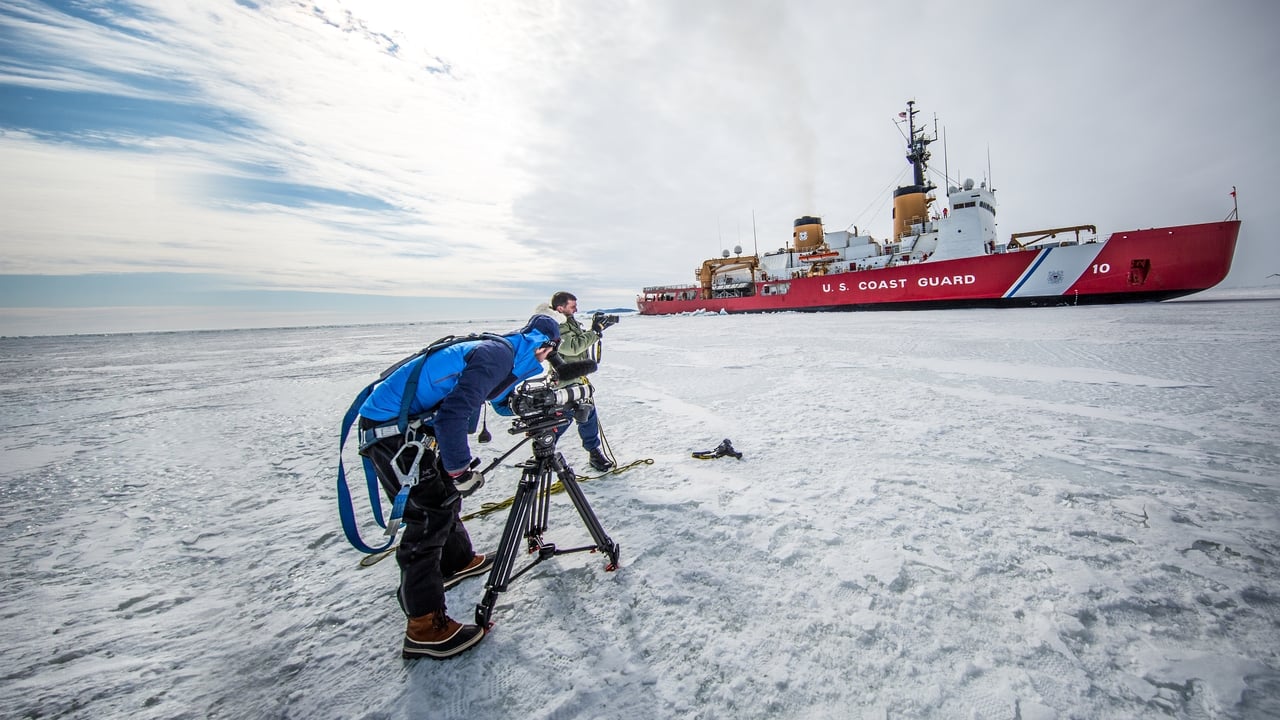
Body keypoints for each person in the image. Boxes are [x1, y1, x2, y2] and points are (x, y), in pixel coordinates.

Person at [357, 315, 561, 659]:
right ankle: (424, 625)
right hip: (392, 433)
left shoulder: (505, 352)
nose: (545, 361)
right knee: (427, 516)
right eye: (547, 355)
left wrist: (535, 407)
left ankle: (457, 562)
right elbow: (454, 413)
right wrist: (459, 469)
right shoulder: (498, 355)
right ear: (544, 346)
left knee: (444, 499)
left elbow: (494, 399)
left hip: (413, 428)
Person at [535, 291, 615, 472]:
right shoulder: (555, 325)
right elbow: (572, 347)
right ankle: (544, 451)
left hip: (577, 376)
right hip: (564, 379)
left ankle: (594, 452)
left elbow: (578, 342)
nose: (576, 309)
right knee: (565, 415)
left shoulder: (568, 322)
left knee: (587, 413)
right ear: (560, 308)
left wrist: (595, 330)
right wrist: (595, 332)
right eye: (572, 306)